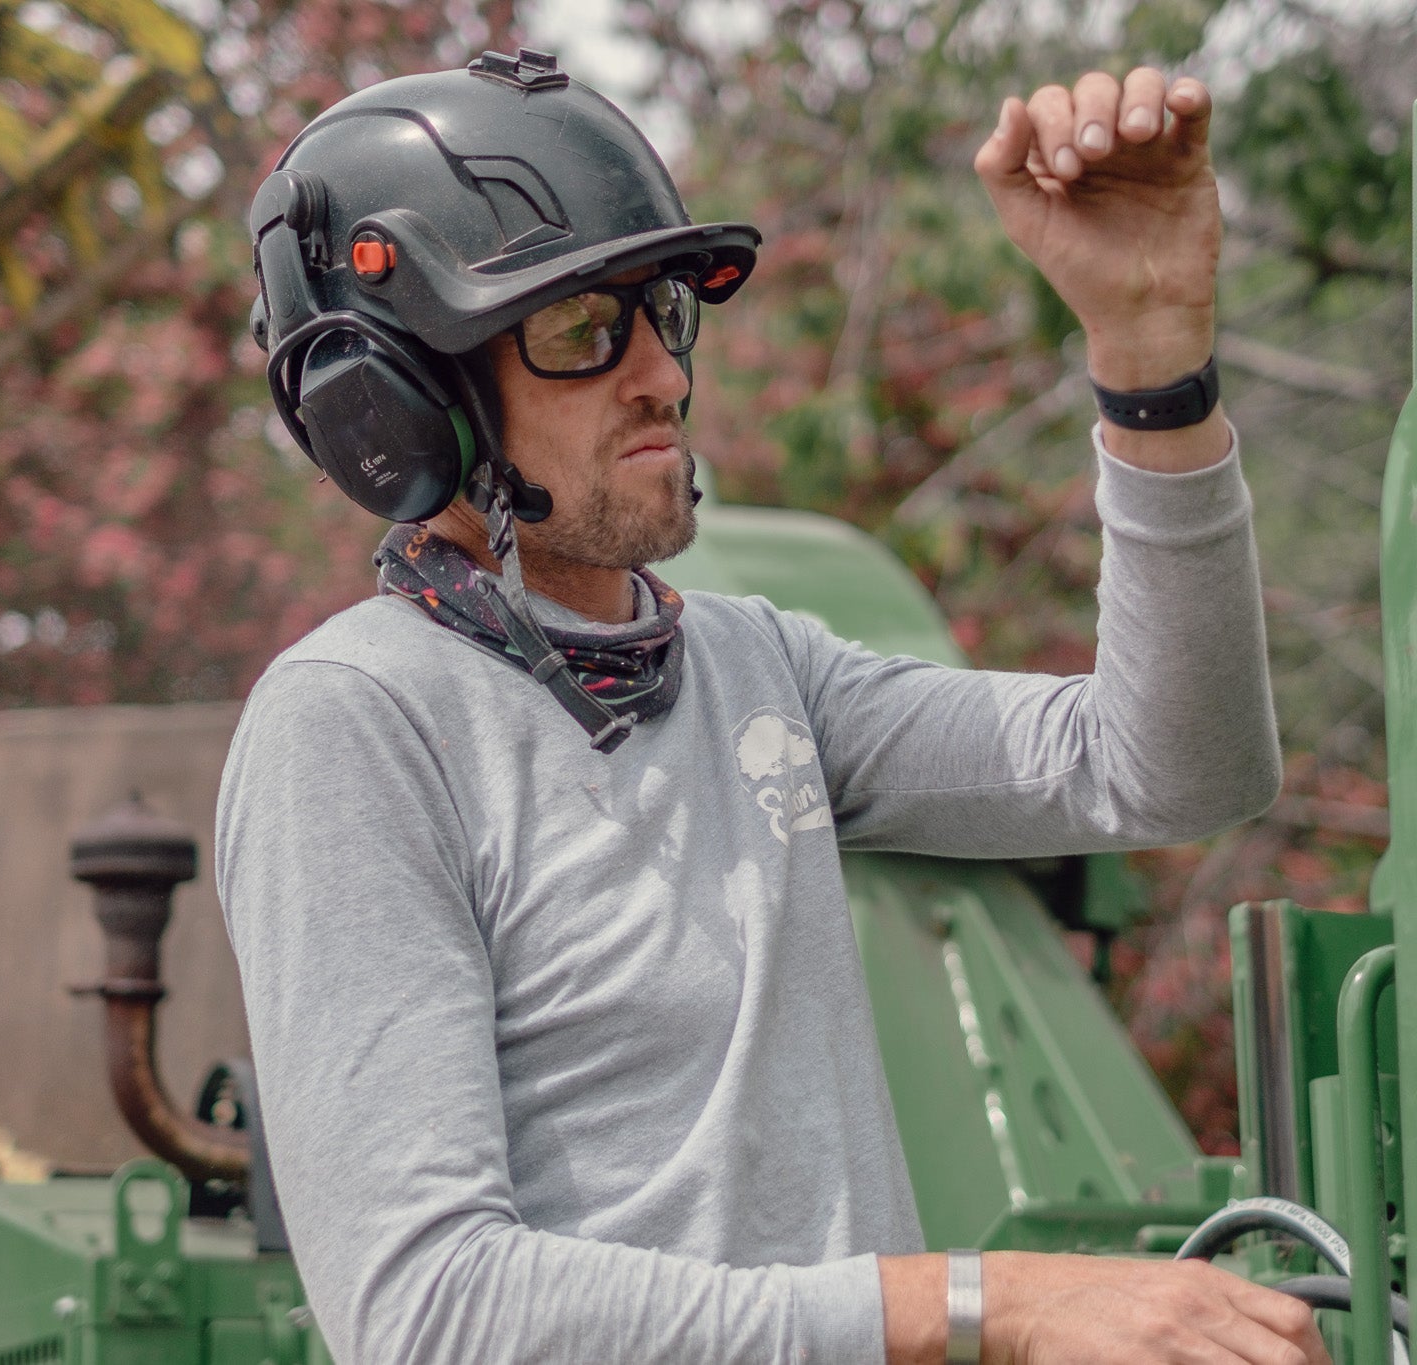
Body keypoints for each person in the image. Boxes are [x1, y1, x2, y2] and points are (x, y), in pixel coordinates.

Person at [218, 48, 1329, 1365]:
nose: (665, 379)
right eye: (581, 330)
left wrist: (1151, 357)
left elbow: (1171, 769)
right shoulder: (356, 725)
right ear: (394, 406)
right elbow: (432, 1316)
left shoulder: (757, 671)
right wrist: (986, 1304)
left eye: (665, 313)